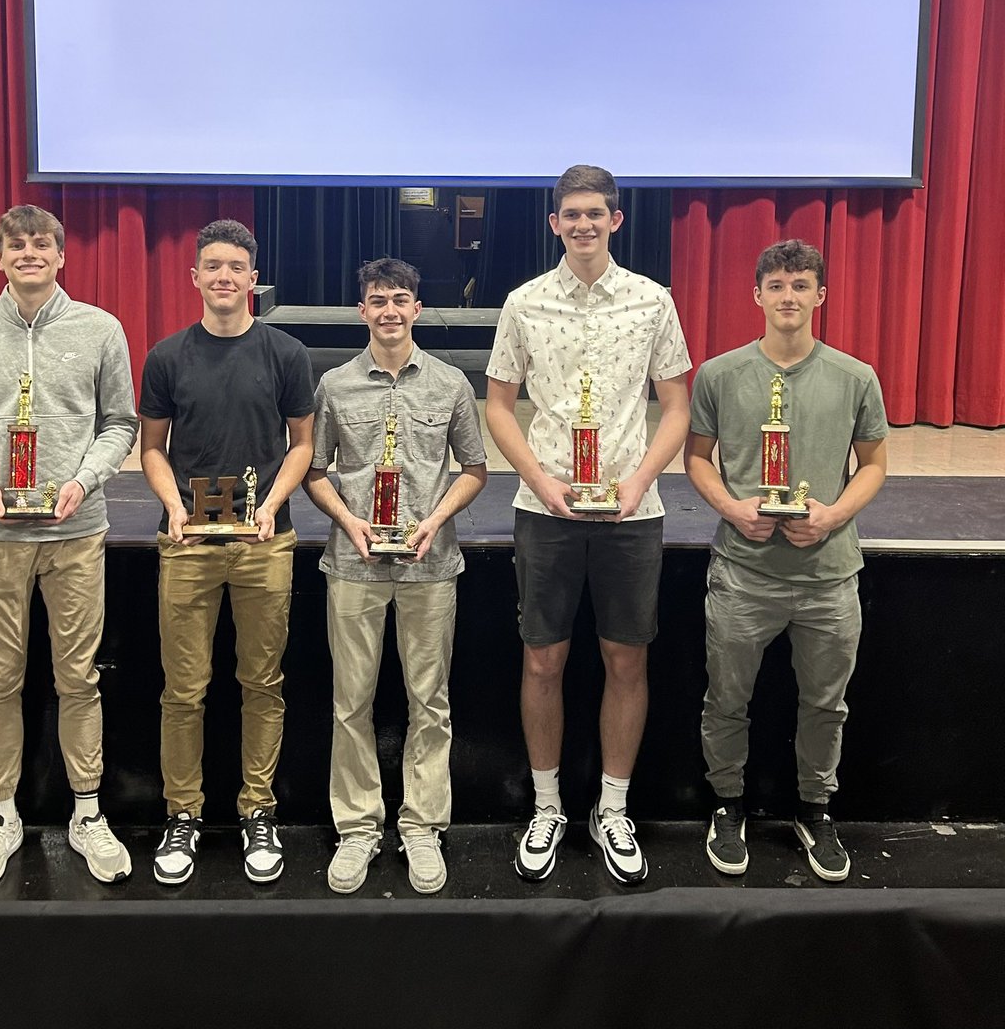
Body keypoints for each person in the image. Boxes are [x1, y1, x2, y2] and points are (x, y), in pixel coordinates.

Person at [485, 164, 691, 885]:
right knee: (542, 660)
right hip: (546, 510)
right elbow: (500, 406)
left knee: (625, 659)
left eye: (594, 214)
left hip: (633, 511)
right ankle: (546, 807)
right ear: (554, 224)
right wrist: (539, 480)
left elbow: (678, 407)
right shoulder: (523, 303)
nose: (582, 225)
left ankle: (612, 807)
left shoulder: (652, 301)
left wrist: (640, 481)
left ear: (615, 220)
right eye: (570, 214)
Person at [0, 204, 138, 890]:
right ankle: (0, 814)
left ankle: (86, 811)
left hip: (76, 533)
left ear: (60, 255)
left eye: (40, 244)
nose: (28, 254)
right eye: (15, 245)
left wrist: (83, 480)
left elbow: (119, 423)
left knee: (78, 676)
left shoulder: (100, 328)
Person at [684, 239, 887, 882]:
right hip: (744, 573)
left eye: (801, 285)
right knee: (727, 700)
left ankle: (815, 809)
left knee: (826, 705)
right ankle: (727, 805)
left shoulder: (855, 376)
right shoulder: (719, 374)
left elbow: (874, 464)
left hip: (829, 576)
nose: (789, 297)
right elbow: (696, 458)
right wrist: (734, 509)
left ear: (820, 296)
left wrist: (832, 515)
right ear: (757, 296)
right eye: (777, 286)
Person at [139, 219, 314, 885]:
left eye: (235, 266)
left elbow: (302, 443)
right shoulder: (166, 356)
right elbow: (153, 448)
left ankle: (257, 810)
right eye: (211, 265)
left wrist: (269, 506)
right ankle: (182, 814)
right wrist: (177, 510)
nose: (223, 276)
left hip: (265, 541)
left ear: (251, 279)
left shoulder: (286, 353)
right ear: (196, 278)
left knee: (261, 684)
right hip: (187, 544)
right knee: (183, 691)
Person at [304, 258, 487, 895]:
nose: (389, 310)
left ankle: (421, 825)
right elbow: (314, 469)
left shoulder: (450, 384)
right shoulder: (331, 385)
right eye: (377, 300)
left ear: (416, 307)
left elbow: (473, 467)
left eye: (400, 299)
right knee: (350, 702)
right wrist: (350, 522)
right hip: (354, 564)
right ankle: (357, 827)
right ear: (362, 311)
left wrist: (435, 518)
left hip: (430, 565)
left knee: (428, 703)